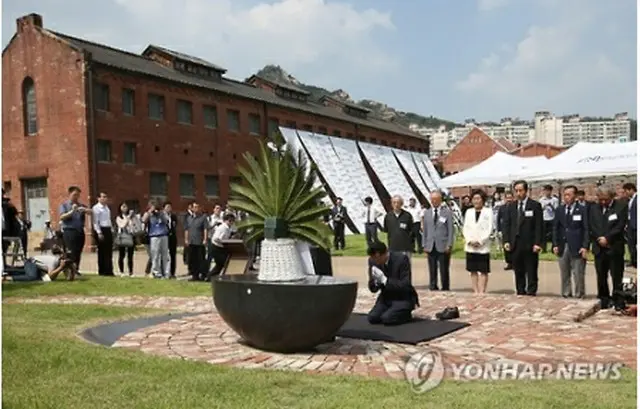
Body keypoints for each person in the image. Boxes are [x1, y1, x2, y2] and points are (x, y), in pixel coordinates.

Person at [589, 186, 628, 309]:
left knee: (616, 276)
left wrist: (607, 238)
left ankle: (618, 300)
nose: (603, 202)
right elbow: (592, 225)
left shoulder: (620, 206)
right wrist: (599, 238)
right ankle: (604, 299)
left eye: (605, 199)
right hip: (599, 247)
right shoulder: (594, 208)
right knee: (601, 275)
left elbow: (620, 225)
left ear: (611, 197)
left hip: (614, 247)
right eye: (600, 199)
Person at [503, 180, 543, 296]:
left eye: (520, 190)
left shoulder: (535, 205)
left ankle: (531, 292)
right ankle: (520, 291)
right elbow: (506, 225)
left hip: (530, 244)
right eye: (516, 191)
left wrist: (538, 243)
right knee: (518, 271)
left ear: (526, 191)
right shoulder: (511, 206)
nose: (518, 193)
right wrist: (506, 240)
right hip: (515, 244)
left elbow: (539, 226)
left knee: (531, 270)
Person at [366, 241, 419, 326]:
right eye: (373, 258)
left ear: (385, 254)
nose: (376, 261)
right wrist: (375, 281)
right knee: (372, 318)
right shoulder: (372, 261)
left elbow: (405, 284)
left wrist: (385, 280)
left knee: (387, 318)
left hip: (402, 297)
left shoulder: (401, 259)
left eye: (377, 257)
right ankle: (390, 310)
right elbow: (373, 289)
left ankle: (406, 314)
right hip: (386, 297)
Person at [552, 185, 589, 298]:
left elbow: (586, 229)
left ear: (575, 196)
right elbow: (555, 228)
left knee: (578, 272)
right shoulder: (560, 210)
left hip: (577, 245)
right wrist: (555, 244)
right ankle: (566, 293)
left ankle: (579, 294)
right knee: (564, 272)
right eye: (565, 195)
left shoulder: (582, 210)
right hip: (563, 245)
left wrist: (585, 246)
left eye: (569, 195)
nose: (566, 197)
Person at [462, 189, 493, 294]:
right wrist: (469, 240)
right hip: (470, 245)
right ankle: (475, 290)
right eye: (474, 198)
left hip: (482, 246)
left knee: (483, 270)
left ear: (483, 200)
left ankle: (482, 291)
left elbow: (489, 228)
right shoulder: (468, 212)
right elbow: (465, 228)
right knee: (473, 270)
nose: (476, 201)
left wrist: (480, 241)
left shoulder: (488, 211)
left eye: (478, 198)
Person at [422, 191, 454, 291]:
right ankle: (433, 286)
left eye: (436, 199)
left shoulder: (447, 212)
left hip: (443, 244)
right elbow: (425, 230)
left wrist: (449, 244)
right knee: (432, 268)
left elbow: (451, 229)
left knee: (444, 268)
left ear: (440, 200)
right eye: (432, 199)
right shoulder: (427, 213)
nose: (434, 201)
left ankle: (445, 287)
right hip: (430, 244)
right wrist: (424, 244)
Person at [58, 186, 91, 273]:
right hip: (69, 231)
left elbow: (91, 212)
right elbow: (62, 217)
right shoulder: (64, 205)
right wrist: (72, 211)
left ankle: (76, 269)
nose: (76, 197)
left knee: (78, 250)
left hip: (79, 231)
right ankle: (69, 269)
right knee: (70, 251)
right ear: (69, 194)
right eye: (74, 195)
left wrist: (85, 210)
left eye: (78, 195)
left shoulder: (81, 205)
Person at [3, 244, 76, 282]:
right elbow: (50, 277)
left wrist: (72, 270)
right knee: (32, 277)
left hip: (36, 267)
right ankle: (8, 278)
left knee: (20, 272)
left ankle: (5, 270)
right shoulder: (54, 261)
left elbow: (69, 279)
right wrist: (60, 268)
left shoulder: (61, 263)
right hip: (31, 263)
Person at [142, 200, 171, 279]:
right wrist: (150, 212)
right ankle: (156, 272)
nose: (155, 208)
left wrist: (160, 214)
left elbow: (166, 221)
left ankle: (166, 272)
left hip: (164, 235)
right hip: (154, 235)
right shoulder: (148, 213)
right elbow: (143, 220)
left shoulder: (162, 213)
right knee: (155, 255)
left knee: (165, 255)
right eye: (153, 206)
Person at [92, 192, 114, 276]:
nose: (105, 198)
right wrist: (99, 232)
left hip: (108, 229)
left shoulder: (107, 208)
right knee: (102, 251)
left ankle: (109, 270)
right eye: (103, 197)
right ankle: (102, 271)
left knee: (109, 251)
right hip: (101, 229)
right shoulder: (96, 208)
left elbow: (108, 219)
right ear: (98, 198)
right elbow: (95, 222)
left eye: (106, 197)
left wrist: (111, 229)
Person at [184, 202, 208, 281]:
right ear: (192, 208)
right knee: (192, 260)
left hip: (199, 242)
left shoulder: (203, 217)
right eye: (194, 207)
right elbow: (186, 229)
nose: (196, 208)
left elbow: (205, 229)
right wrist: (186, 239)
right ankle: (194, 275)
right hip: (191, 242)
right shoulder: (189, 218)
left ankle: (202, 275)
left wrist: (205, 239)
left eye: (197, 207)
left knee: (200, 259)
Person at [209, 213, 236, 278]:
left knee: (220, 265)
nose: (231, 222)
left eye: (232, 221)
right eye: (229, 221)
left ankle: (211, 276)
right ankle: (215, 276)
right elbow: (216, 238)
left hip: (222, 248)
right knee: (223, 263)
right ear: (225, 220)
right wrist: (224, 242)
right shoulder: (222, 227)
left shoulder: (229, 228)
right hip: (216, 247)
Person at [115, 202, 135, 276]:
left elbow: (133, 226)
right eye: (123, 206)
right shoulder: (119, 217)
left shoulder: (131, 217)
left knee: (130, 255)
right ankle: (121, 271)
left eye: (126, 206)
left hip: (130, 236)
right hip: (122, 236)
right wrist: (128, 217)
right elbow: (122, 225)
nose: (124, 208)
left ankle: (131, 272)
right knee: (122, 254)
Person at [496, 191, 514, 270]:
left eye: (510, 198)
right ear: (505, 199)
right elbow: (498, 219)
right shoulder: (502, 207)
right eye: (507, 198)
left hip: (513, 230)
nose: (509, 199)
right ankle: (509, 262)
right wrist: (499, 230)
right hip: (504, 230)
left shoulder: (515, 207)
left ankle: (515, 263)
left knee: (514, 247)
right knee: (506, 247)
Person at [539, 185, 559, 252]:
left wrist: (551, 206)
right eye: (546, 190)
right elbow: (539, 211)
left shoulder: (555, 200)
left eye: (549, 191)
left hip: (552, 218)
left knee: (554, 234)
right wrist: (543, 207)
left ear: (551, 191)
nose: (547, 192)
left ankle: (553, 248)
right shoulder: (541, 200)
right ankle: (543, 249)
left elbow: (557, 211)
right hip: (544, 218)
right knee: (543, 235)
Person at [623, 183, 637, 268]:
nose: (626, 193)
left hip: (635, 225)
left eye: (626, 191)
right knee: (631, 244)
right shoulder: (629, 200)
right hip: (630, 225)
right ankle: (633, 260)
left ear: (631, 189)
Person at [164, 202, 178, 278]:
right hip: (165, 237)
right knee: (165, 255)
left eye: (170, 207)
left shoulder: (173, 216)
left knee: (173, 255)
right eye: (167, 207)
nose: (169, 208)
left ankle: (172, 273)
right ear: (164, 208)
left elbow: (175, 225)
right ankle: (165, 272)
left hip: (172, 237)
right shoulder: (162, 216)